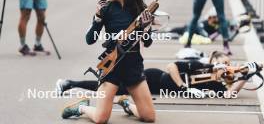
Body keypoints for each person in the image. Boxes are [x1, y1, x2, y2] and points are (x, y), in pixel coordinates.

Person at [61, 0, 156, 123]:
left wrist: (145, 27)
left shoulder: (140, 9)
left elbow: (148, 42)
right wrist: (97, 19)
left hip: (133, 65)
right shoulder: (106, 9)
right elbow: (90, 40)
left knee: (149, 117)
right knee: (100, 119)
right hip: (111, 66)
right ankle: (81, 107)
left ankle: (126, 105)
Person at [56, 50, 259, 116]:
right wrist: (183, 88)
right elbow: (172, 66)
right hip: (155, 79)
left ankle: (84, 97)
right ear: (213, 60)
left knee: (119, 93)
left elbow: (228, 94)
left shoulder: (217, 83)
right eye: (222, 62)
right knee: (113, 85)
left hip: (158, 88)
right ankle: (70, 83)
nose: (226, 66)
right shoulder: (199, 65)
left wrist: (246, 75)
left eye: (228, 64)